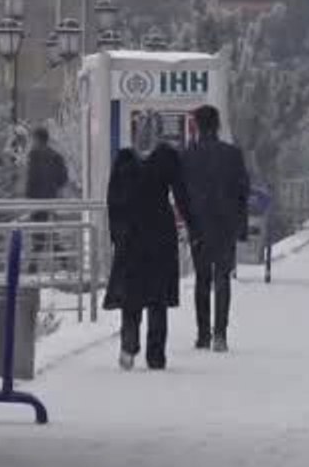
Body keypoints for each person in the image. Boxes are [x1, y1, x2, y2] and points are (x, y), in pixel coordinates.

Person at [103, 122, 199, 371]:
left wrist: (116, 233)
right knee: (157, 296)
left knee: (131, 294)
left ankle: (129, 344)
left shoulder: (124, 160)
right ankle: (155, 354)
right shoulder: (167, 158)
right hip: (159, 231)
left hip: (131, 233)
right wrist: (192, 225)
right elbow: (181, 194)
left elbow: (112, 199)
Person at [182, 105, 250, 353]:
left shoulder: (188, 155)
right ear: (218, 125)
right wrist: (240, 226)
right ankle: (220, 334)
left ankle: (202, 334)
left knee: (202, 278)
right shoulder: (232, 154)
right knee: (223, 278)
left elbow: (181, 192)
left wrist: (189, 220)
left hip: (199, 225)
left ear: (198, 125)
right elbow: (243, 191)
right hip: (226, 224)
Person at [24, 127, 69, 271]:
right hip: (51, 198)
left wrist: (28, 196)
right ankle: (62, 258)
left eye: (33, 139)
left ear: (37, 139)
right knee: (50, 229)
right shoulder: (56, 156)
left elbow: (32, 178)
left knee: (39, 231)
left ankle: (34, 264)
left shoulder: (34, 155)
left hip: (38, 199)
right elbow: (63, 178)